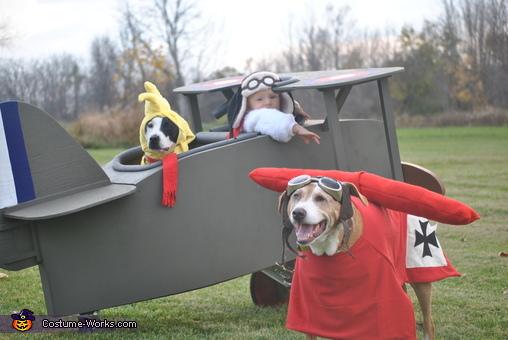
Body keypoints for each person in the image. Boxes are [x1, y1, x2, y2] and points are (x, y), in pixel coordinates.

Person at [228, 71, 320, 144]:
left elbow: (282, 107)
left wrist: (295, 108)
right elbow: (270, 118)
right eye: (260, 99)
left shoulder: (262, 110)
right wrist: (297, 128)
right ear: (246, 106)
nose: (268, 102)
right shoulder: (253, 117)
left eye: (273, 97)